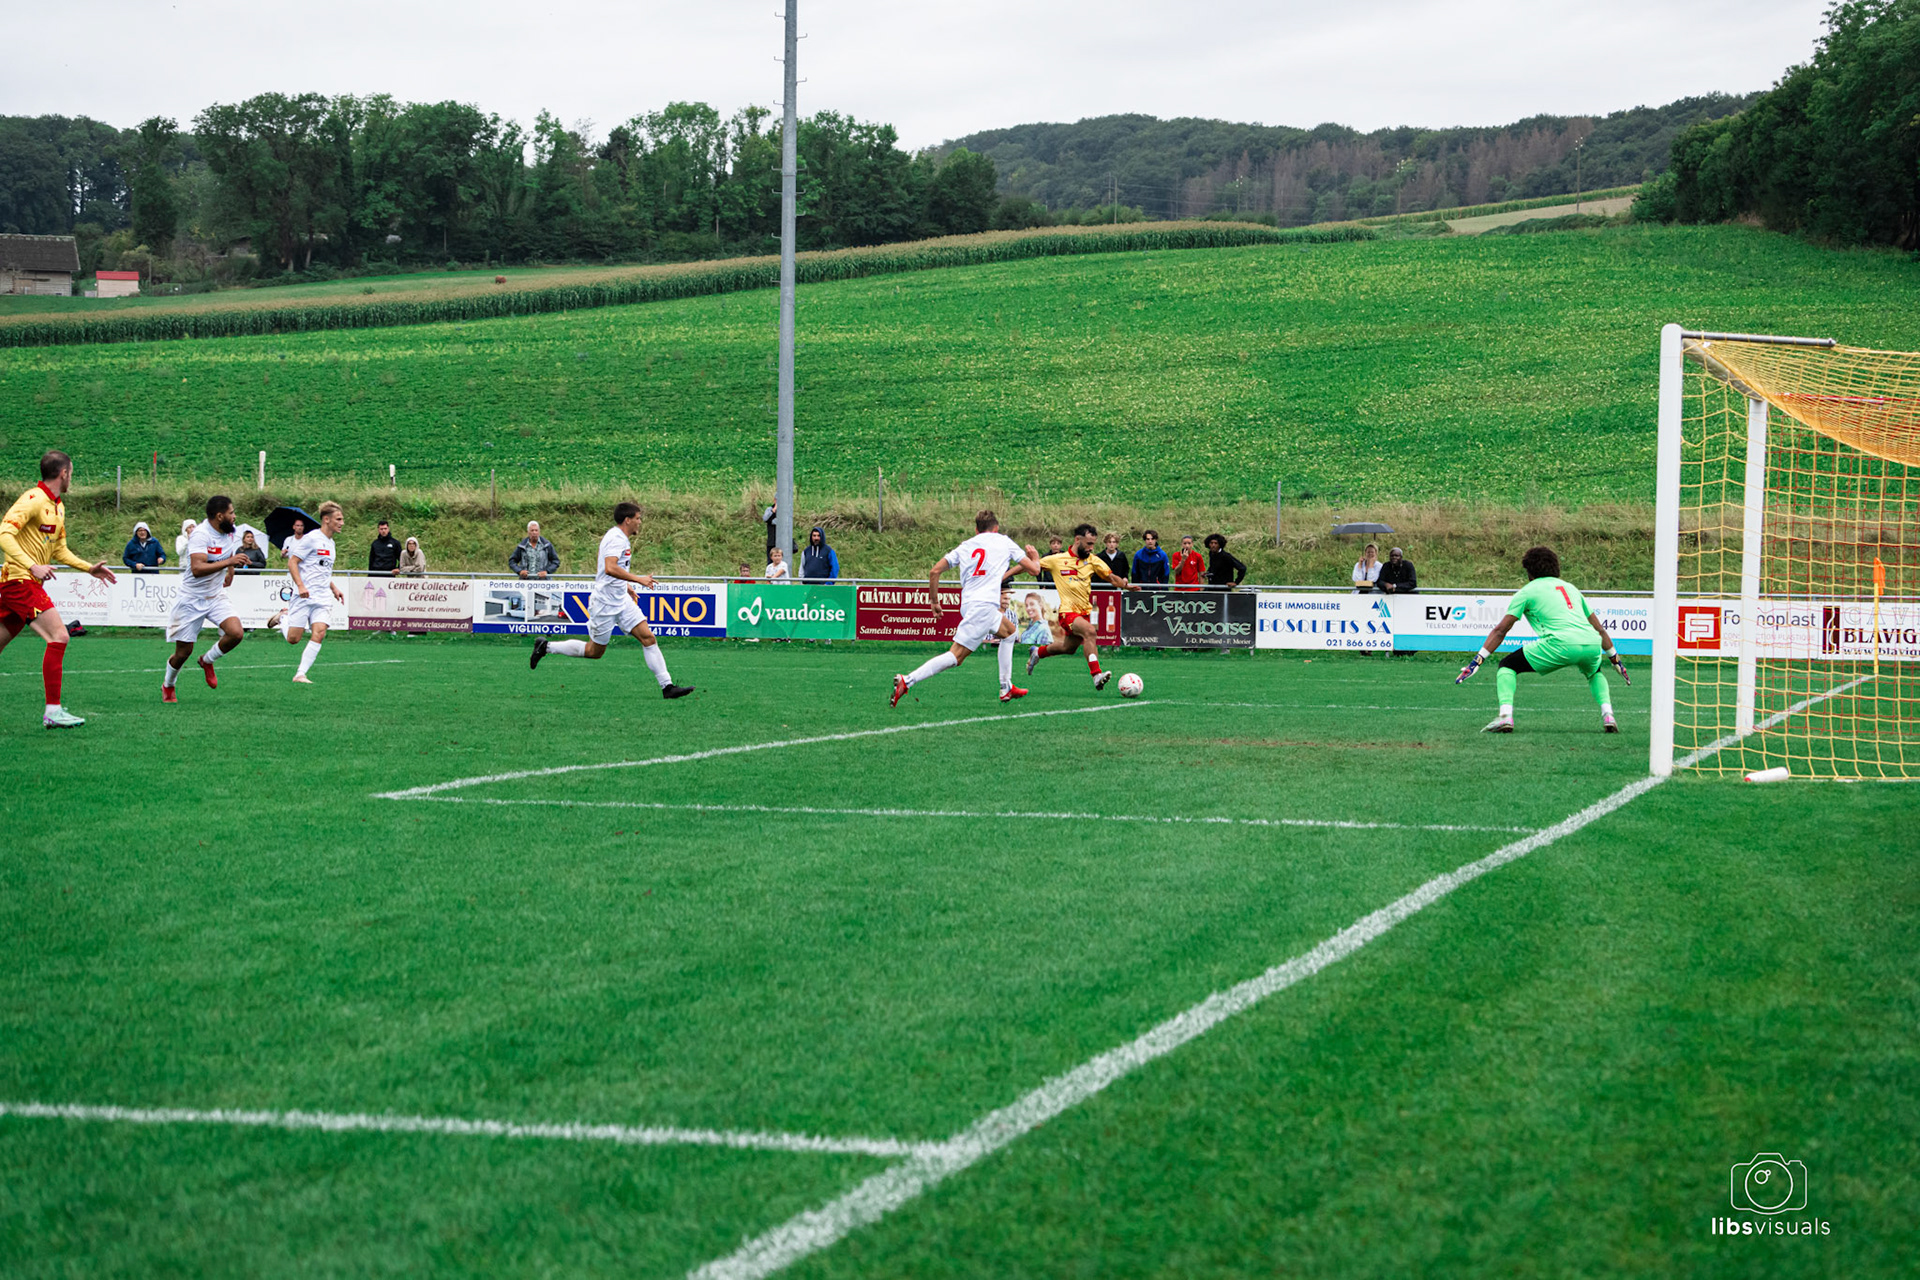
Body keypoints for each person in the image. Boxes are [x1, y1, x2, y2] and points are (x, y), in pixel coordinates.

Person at [1456, 545, 1631, 734]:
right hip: (1591, 643)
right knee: (1594, 672)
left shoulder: (1527, 592)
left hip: (1560, 644)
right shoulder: (1571, 588)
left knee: (1507, 665)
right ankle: (1608, 715)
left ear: (1529, 572)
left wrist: (1477, 661)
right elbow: (1600, 629)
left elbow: (1500, 630)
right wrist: (1616, 660)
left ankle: (1505, 716)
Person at [0, 450, 118, 728]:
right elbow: (4, 533)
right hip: (20, 581)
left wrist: (88, 568)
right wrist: (32, 565)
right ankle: (52, 712)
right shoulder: (33, 499)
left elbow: (60, 550)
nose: (71, 478)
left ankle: (53, 711)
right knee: (59, 636)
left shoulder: (58, 507)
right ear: (63, 473)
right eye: (71, 473)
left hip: (22, 582)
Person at [530, 502, 693, 699]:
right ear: (628, 520)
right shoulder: (617, 539)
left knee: (648, 638)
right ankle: (546, 647)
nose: (640, 522)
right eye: (638, 518)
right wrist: (638, 579)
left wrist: (626, 586)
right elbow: (609, 568)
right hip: (605, 603)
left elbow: (609, 568)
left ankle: (667, 686)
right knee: (594, 651)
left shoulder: (617, 537)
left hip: (620, 599)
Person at [892, 509, 1043, 707]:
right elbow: (1035, 569)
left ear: (976, 530)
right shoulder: (1004, 541)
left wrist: (934, 601)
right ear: (996, 528)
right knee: (956, 656)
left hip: (971, 604)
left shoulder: (966, 546)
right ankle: (908, 680)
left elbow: (934, 571)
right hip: (984, 606)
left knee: (1009, 632)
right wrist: (1035, 557)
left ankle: (1006, 687)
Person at [1026, 523, 1138, 690]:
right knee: (1090, 632)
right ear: (1078, 540)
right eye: (1089, 544)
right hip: (1067, 612)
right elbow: (1031, 567)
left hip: (1083, 612)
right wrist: (1004, 576)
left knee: (1068, 648)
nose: (1092, 548)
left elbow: (1112, 578)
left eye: (1093, 544)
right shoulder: (1057, 559)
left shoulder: (1092, 560)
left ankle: (1037, 652)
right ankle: (1096, 675)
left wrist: (1125, 585)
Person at [162, 495, 251, 703]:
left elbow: (228, 553)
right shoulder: (200, 535)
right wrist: (229, 562)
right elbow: (197, 569)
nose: (234, 516)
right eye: (231, 513)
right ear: (219, 516)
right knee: (183, 653)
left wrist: (231, 570)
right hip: (191, 599)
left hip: (216, 595)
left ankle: (207, 660)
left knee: (236, 633)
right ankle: (168, 685)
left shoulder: (230, 531)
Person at [275, 501, 345, 684]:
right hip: (304, 595)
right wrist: (300, 586)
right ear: (326, 519)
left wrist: (334, 588)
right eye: (338, 519)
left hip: (322, 597)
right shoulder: (311, 538)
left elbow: (323, 571)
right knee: (293, 639)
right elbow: (292, 562)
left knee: (319, 633)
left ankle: (300, 674)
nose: (342, 523)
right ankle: (283, 617)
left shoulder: (331, 544)